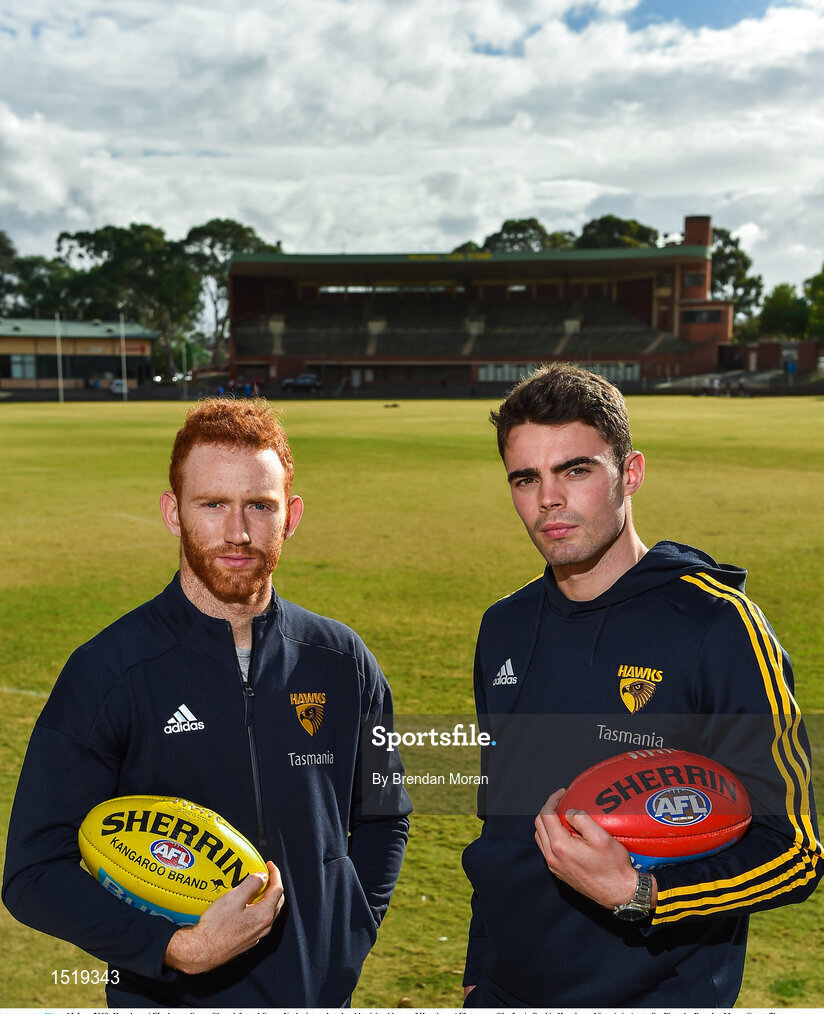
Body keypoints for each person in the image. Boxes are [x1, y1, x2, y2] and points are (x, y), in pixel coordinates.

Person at [3, 398, 411, 1008]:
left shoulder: (342, 660)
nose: (238, 531)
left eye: (260, 506)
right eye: (213, 504)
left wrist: (347, 939)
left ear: (292, 516)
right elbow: (33, 872)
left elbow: (384, 815)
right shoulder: (108, 671)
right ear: (173, 513)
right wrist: (173, 948)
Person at [461, 363, 821, 1007]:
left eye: (575, 470)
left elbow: (794, 850)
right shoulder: (503, 627)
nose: (548, 499)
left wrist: (644, 896)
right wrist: (477, 966)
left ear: (630, 473)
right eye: (525, 478)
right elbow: (501, 822)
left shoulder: (719, 626)